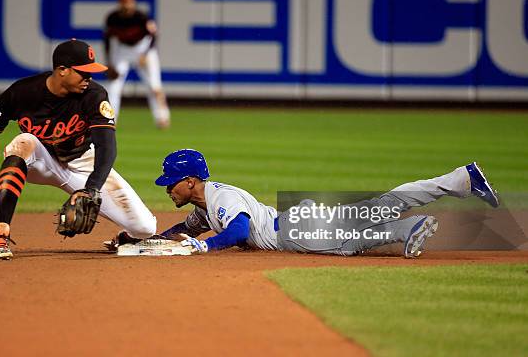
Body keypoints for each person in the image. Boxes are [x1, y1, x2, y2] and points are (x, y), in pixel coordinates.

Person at [0, 39, 157, 260]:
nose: (88, 79)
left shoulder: (94, 95)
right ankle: (0, 235)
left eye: (91, 73)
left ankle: (123, 238)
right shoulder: (23, 92)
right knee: (24, 142)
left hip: (81, 162)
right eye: (83, 73)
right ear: (62, 70)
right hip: (41, 161)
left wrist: (91, 189)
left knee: (145, 228)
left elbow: (107, 146)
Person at [152, 149, 500, 257]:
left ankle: (451, 186)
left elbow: (239, 229)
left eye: (170, 184)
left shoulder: (221, 197)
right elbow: (181, 229)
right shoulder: (204, 205)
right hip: (298, 221)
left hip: (294, 230)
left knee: (354, 238)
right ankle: (417, 218)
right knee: (375, 211)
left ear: (190, 181)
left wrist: (202, 247)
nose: (168, 190)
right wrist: (143, 242)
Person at [103, 0, 170, 129]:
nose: (127, 4)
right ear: (120, 3)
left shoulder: (141, 17)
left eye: (129, 1)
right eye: (124, 2)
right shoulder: (112, 18)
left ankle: (162, 118)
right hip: (122, 50)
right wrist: (109, 62)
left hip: (143, 48)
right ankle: (110, 119)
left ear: (133, 3)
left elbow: (154, 35)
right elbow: (107, 40)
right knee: (113, 86)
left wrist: (145, 55)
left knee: (154, 86)